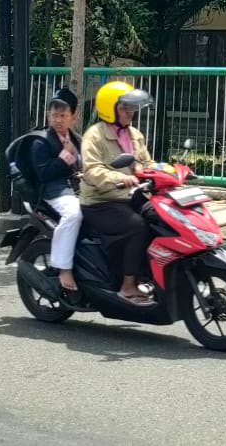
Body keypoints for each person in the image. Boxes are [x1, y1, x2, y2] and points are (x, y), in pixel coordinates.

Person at [79, 80, 155, 306]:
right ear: (109, 108)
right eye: (125, 107)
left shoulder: (134, 134)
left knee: (161, 218)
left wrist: (165, 172)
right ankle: (128, 286)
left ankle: (151, 275)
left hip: (131, 196)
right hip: (100, 201)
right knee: (136, 226)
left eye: (132, 108)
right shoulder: (94, 135)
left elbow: (146, 162)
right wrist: (120, 178)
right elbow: (92, 170)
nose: (130, 112)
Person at [27, 88, 83, 292]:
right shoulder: (40, 140)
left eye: (63, 115)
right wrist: (65, 157)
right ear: (48, 115)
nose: (58, 120)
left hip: (78, 190)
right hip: (53, 192)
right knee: (73, 215)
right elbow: (44, 174)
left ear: (73, 117)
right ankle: (63, 267)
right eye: (54, 115)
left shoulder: (76, 139)